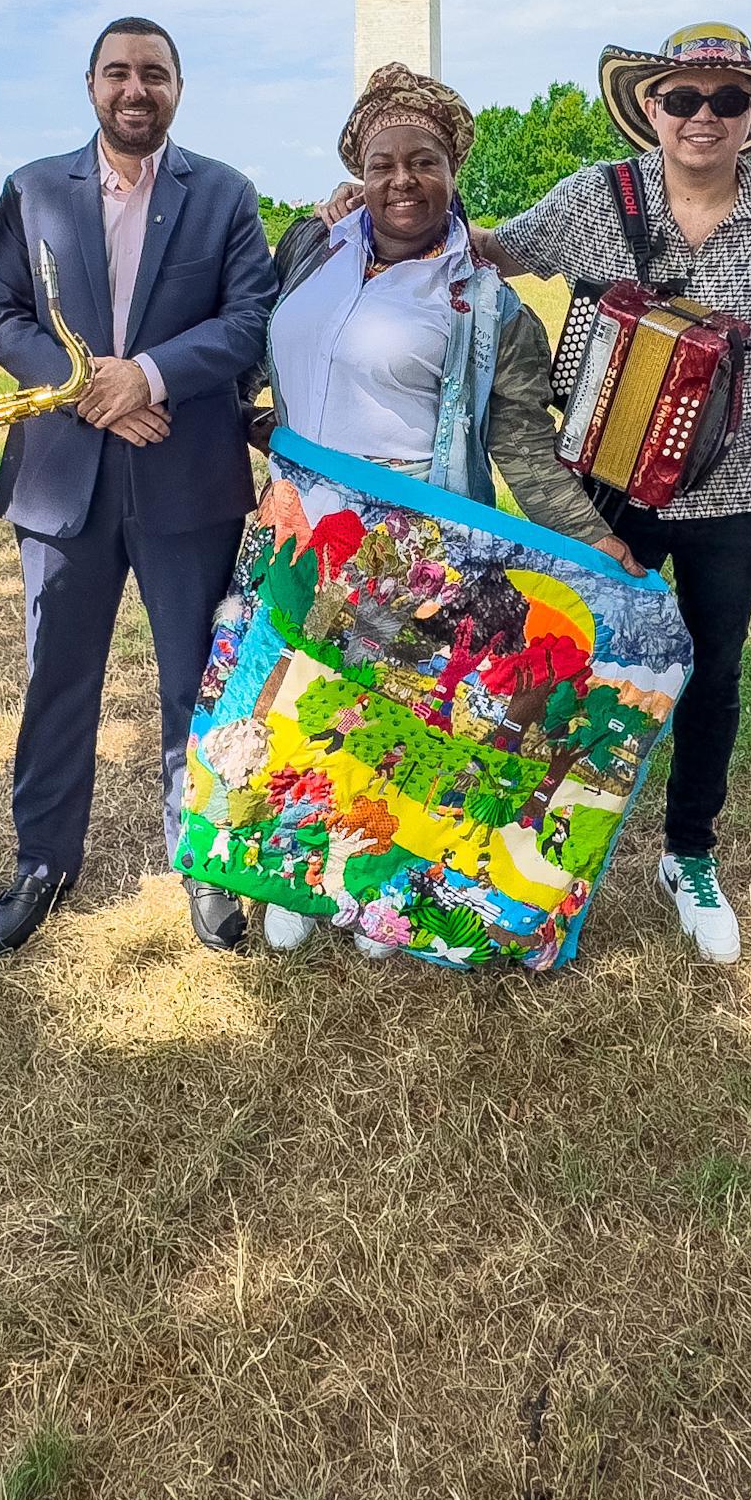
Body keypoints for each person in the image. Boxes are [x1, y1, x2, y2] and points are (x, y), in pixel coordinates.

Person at [354, 22, 751, 967]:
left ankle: (689, 854)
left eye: (728, 99)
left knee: (710, 671)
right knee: (557, 664)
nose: (703, 116)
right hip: (597, 484)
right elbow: (496, 247)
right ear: (651, 108)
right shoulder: (595, 197)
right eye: (682, 98)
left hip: (734, 491)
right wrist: (365, 213)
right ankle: (520, 841)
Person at [255, 63, 632, 953]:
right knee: (293, 690)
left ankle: (380, 886)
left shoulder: (491, 308)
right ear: (357, 166)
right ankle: (289, 862)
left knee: (386, 719)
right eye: (382, 161)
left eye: (423, 160)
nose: (402, 181)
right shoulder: (313, 252)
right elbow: (263, 358)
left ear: (454, 168)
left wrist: (596, 539)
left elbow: (526, 456)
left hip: (408, 543)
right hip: (296, 521)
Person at [0, 16, 279, 958]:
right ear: (92, 85)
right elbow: (0, 311)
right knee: (57, 676)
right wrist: (90, 391)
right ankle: (42, 862)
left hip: (187, 480)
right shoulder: (31, 190)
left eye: (154, 73)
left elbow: (249, 319)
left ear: (177, 87)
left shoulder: (223, 193)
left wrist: (142, 375)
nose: (135, 88)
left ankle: (203, 862)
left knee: (196, 677)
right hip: (63, 482)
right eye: (118, 72)